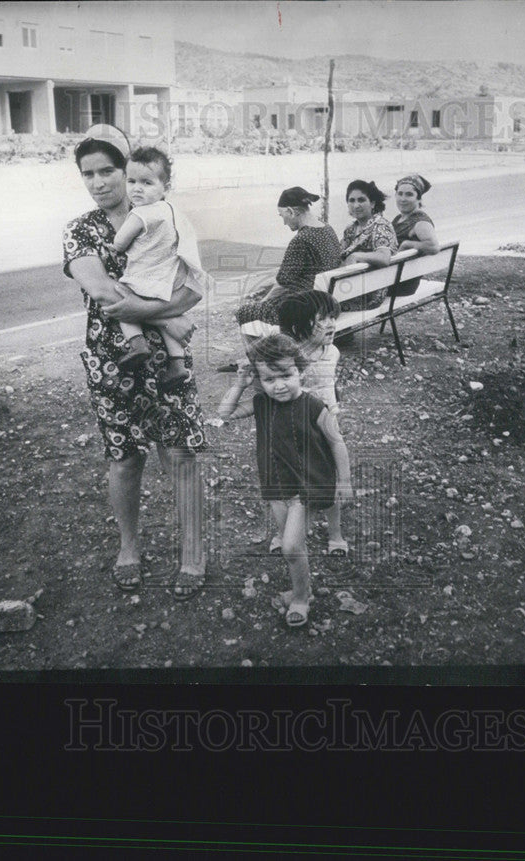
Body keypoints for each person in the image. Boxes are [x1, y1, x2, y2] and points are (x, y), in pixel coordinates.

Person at [62, 124, 207, 600]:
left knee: (180, 454)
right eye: (89, 174)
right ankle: (129, 546)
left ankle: (192, 552)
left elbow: (194, 284)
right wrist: (169, 318)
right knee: (125, 457)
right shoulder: (80, 230)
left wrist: (168, 316)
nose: (99, 182)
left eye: (109, 171)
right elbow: (105, 293)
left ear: (133, 172)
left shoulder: (167, 217)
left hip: (168, 361)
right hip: (113, 358)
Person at [218, 334, 353, 628]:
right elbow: (224, 413)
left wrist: (344, 481)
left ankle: (302, 596)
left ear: (300, 371)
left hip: (309, 484)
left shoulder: (316, 406)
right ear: (260, 381)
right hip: (277, 484)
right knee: (290, 540)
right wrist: (240, 383)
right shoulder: (261, 403)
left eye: (286, 375)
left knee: (291, 546)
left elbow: (337, 442)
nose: (278, 385)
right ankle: (301, 581)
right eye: (268, 379)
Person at [109, 146, 213, 390]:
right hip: (169, 279)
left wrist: (115, 246)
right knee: (170, 317)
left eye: (146, 182)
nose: (136, 188)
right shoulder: (171, 210)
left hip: (143, 277)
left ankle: (136, 343)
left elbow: (120, 242)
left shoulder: (140, 214)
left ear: (165, 187)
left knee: (123, 301)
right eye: (132, 181)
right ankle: (177, 363)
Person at [277, 291, 349, 557]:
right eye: (322, 319)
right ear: (299, 324)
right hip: (294, 425)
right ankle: (282, 531)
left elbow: (331, 383)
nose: (331, 324)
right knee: (285, 481)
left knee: (327, 481)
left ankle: (335, 533)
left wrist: (335, 407)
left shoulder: (333, 351)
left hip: (325, 422)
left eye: (333, 317)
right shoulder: (289, 356)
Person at [234, 186, 341, 342]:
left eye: (282, 215)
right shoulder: (327, 228)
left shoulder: (301, 239)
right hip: (325, 299)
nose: (283, 222)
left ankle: (263, 358)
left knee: (245, 312)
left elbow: (282, 284)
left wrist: (262, 303)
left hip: (306, 305)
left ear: (291, 211)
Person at [339, 180, 399, 311]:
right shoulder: (351, 228)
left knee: (317, 301)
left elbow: (384, 257)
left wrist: (357, 255)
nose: (356, 205)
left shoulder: (381, 226)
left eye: (361, 200)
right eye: (351, 200)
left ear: (372, 203)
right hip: (352, 286)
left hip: (370, 292)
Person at [391, 173, 441, 296]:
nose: (403, 199)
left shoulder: (420, 222)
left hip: (401, 284)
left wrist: (407, 244)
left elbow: (433, 247)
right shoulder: (399, 218)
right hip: (394, 277)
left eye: (409, 194)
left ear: (419, 199)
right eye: (400, 193)